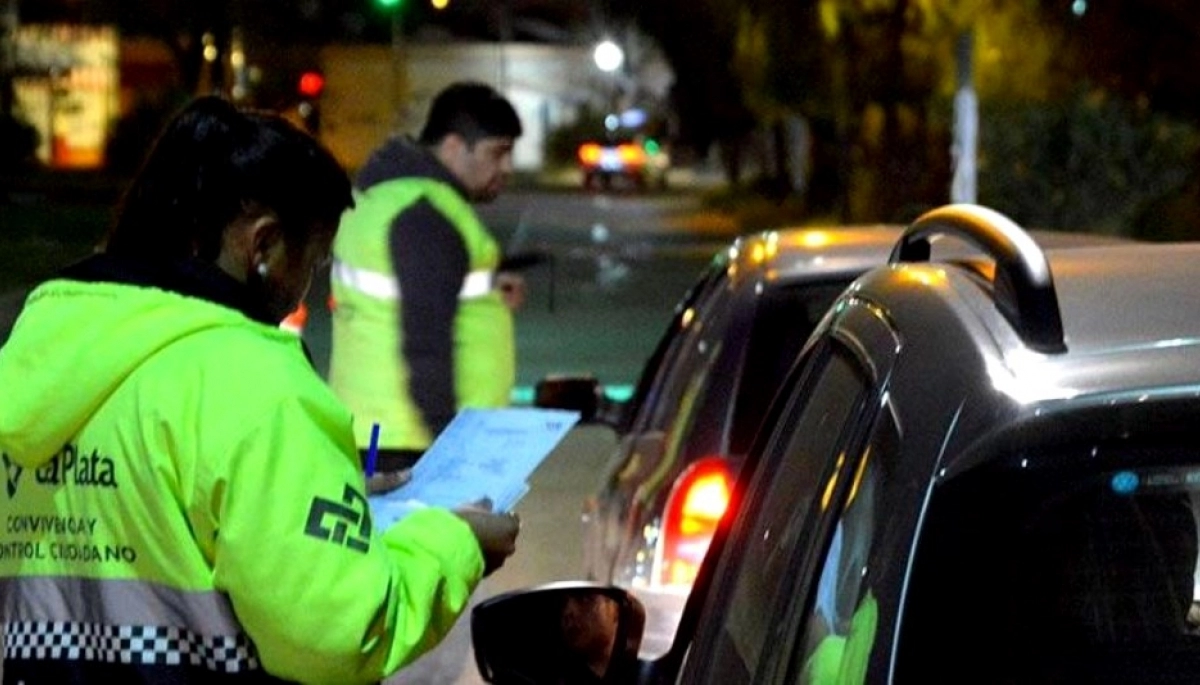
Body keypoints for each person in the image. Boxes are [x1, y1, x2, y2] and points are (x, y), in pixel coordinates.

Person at [0, 95, 519, 684]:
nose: (306, 286)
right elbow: (343, 631)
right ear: (265, 245)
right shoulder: (252, 382)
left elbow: (159, 519)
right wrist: (454, 542)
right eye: (315, 258)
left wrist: (326, 494)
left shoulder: (40, 359)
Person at [328, 81, 524, 480]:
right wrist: (448, 454)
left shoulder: (390, 198)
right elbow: (425, 340)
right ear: (454, 147)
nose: (507, 168)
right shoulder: (425, 214)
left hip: (383, 435)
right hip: (410, 447)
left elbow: (415, 290)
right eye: (497, 153)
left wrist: (487, 288)